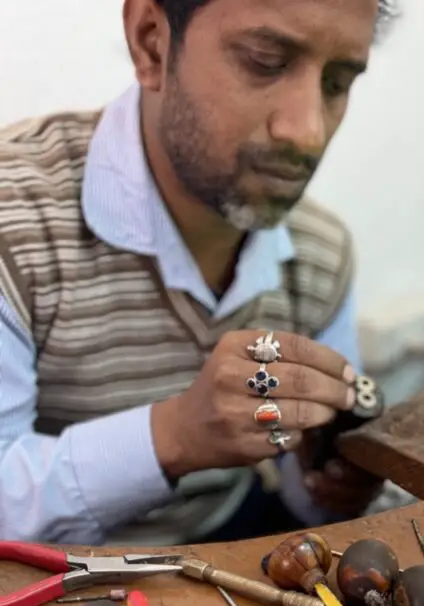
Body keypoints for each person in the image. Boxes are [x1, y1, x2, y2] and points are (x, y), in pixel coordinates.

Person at [0, 0, 397, 544]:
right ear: (152, 42)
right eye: (265, 60)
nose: (305, 131)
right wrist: (175, 435)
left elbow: (309, 501)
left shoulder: (318, 255)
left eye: (336, 82)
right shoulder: (14, 224)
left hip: (225, 552)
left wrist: (334, 481)